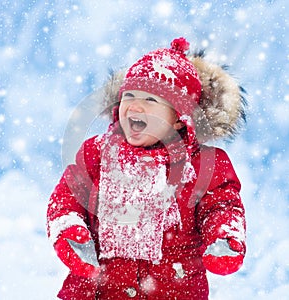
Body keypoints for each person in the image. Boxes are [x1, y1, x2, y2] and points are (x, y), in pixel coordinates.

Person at [47, 37, 247, 299]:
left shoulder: (203, 166)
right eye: (129, 95)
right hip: (96, 291)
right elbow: (66, 200)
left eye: (152, 99)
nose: (135, 105)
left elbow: (221, 206)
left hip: (172, 290)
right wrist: (70, 231)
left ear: (179, 119)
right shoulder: (96, 153)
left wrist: (223, 237)